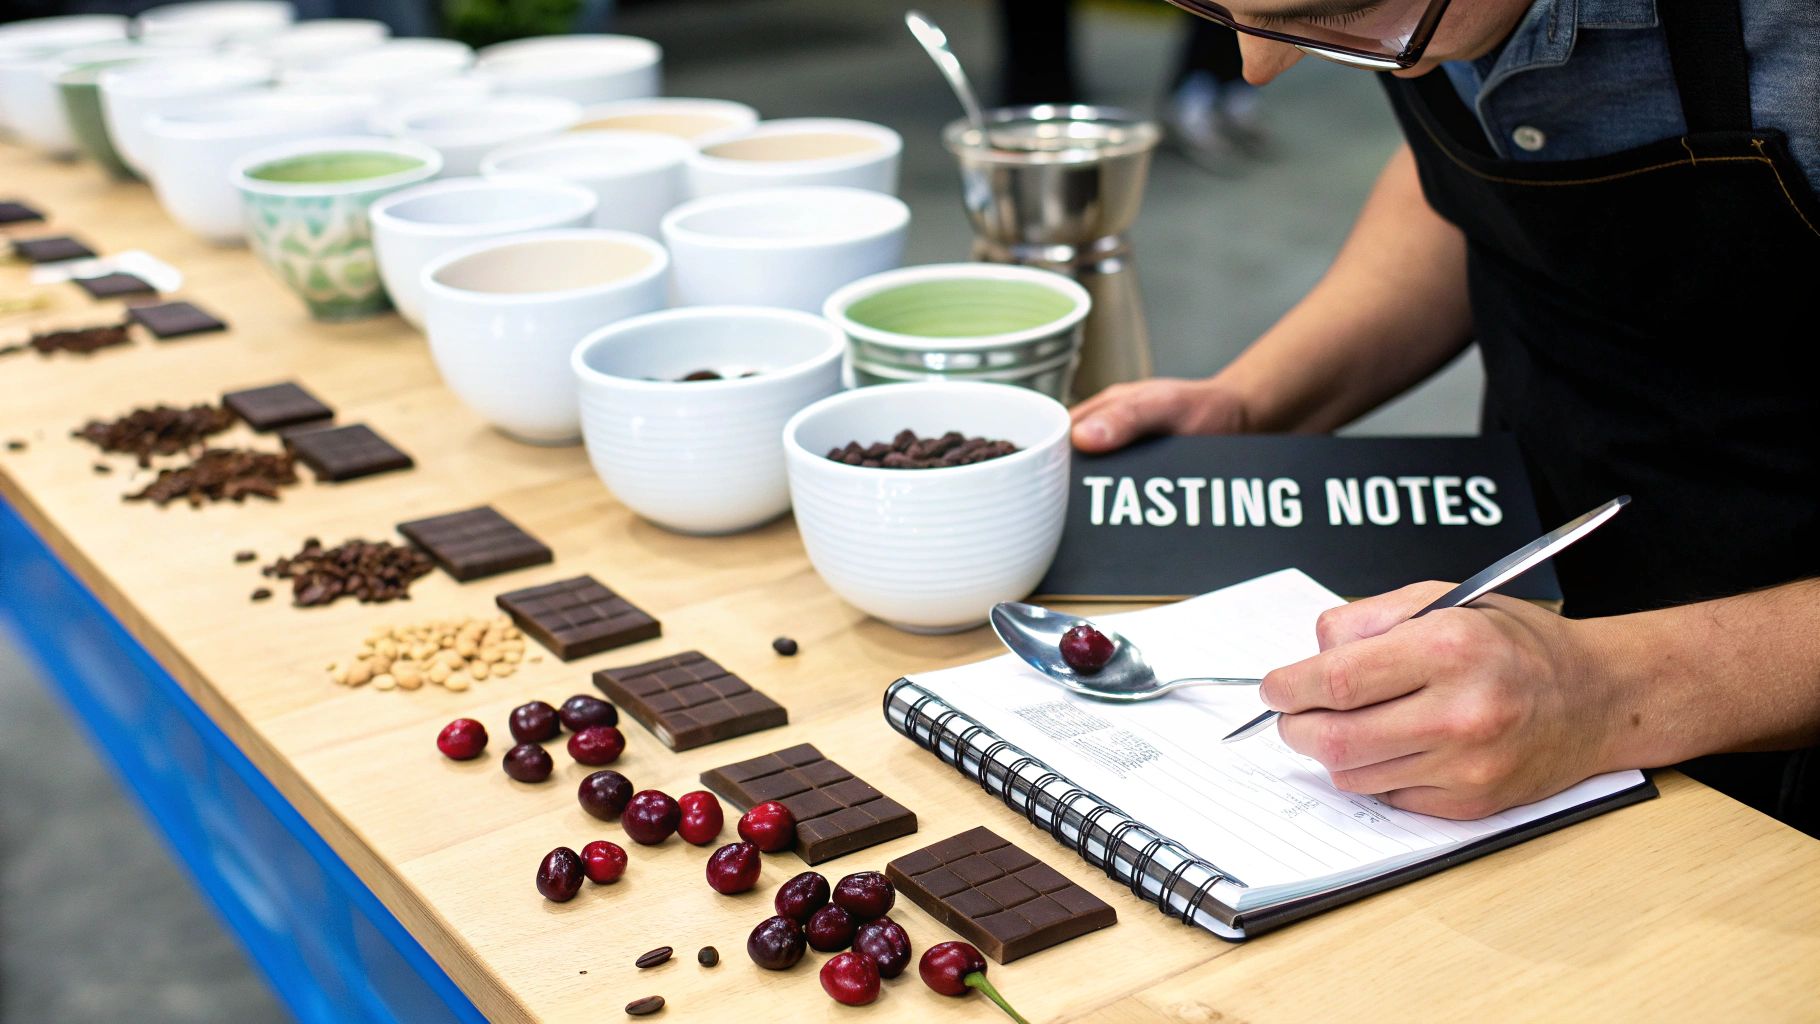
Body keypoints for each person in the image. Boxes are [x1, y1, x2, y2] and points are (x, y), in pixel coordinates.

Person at [1071, 0, 1820, 835]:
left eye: (1341, 11)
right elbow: (1465, 171)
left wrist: (1610, 690)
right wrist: (1261, 400)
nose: (1257, 67)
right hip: (1533, 613)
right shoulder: (1435, 15)